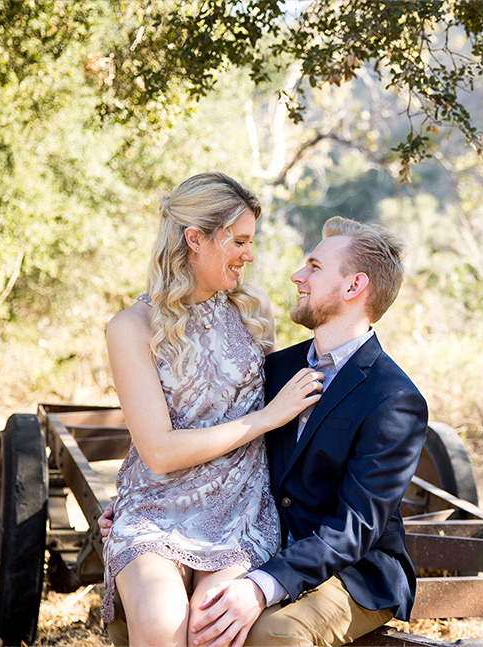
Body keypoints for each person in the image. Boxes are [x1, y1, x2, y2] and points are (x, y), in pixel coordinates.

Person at [102, 216, 428, 647]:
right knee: (174, 619)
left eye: (313, 266)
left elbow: (354, 529)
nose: (297, 276)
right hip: (259, 537)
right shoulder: (275, 369)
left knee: (268, 633)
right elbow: (230, 445)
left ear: (354, 287)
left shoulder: (394, 399)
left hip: (352, 566)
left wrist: (261, 585)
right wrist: (144, 499)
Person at [100, 172, 325, 647]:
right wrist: (265, 419)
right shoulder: (131, 328)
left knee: (211, 625)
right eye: (239, 241)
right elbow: (158, 452)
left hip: (240, 509)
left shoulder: (254, 311)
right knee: (162, 624)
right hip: (157, 510)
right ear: (195, 239)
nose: (249, 254)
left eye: (251, 241)